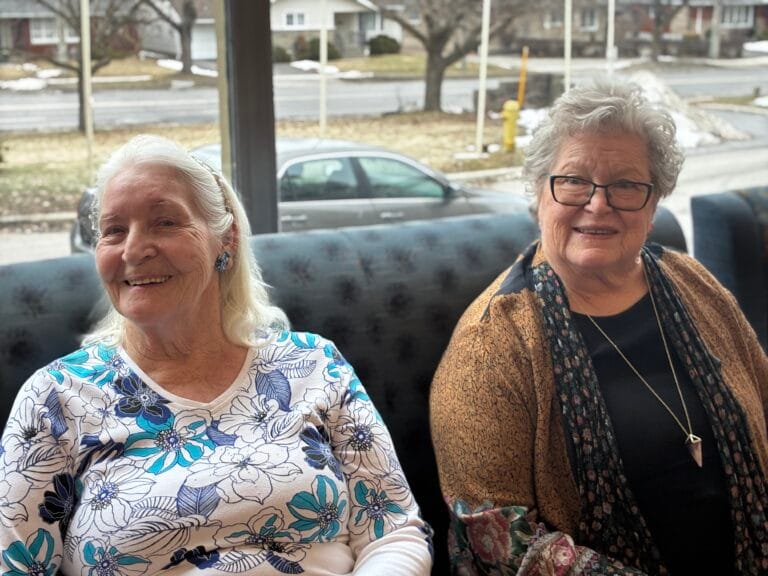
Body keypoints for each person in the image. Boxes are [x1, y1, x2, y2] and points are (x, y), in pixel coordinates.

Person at [0, 135, 432, 575]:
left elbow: (393, 531)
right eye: (114, 230)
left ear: (225, 238)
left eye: (164, 222)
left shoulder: (313, 363)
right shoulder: (55, 399)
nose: (132, 250)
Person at [431, 81, 768, 575]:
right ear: (539, 193)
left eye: (626, 185)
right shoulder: (490, 346)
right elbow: (497, 544)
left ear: (653, 205)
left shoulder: (693, 283)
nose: (598, 203)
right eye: (573, 181)